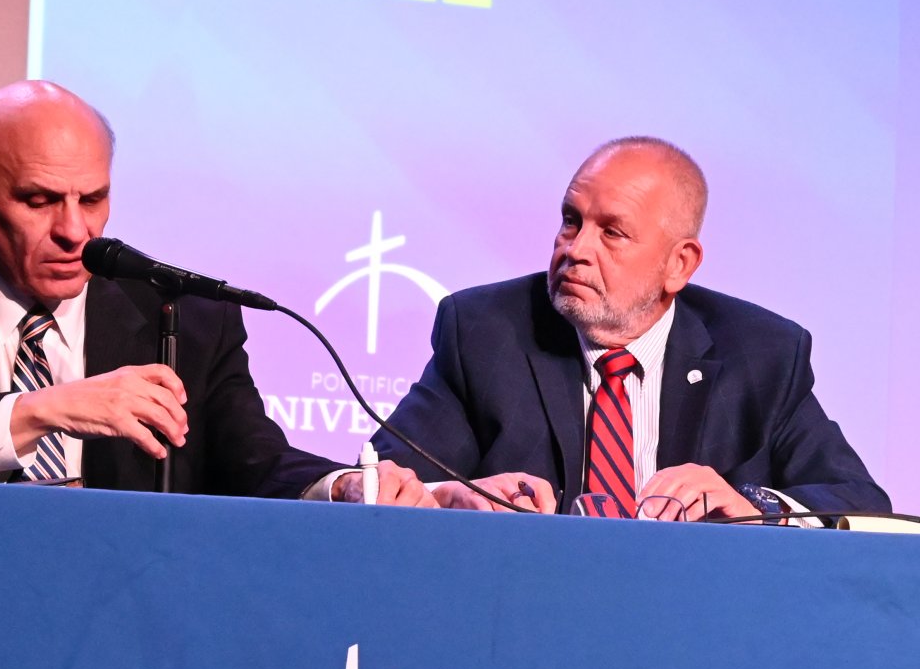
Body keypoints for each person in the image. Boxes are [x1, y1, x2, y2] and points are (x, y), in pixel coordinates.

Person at [0, 78, 429, 502]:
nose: (73, 231)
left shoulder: (185, 314)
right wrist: (44, 409)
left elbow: (254, 461)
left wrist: (344, 485)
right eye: (39, 200)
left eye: (92, 199)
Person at [378, 136, 888, 522]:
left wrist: (752, 504)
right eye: (571, 220)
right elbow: (378, 480)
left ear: (678, 265)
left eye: (612, 232)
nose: (576, 249)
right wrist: (450, 495)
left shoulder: (761, 355)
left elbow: (862, 504)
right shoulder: (486, 332)